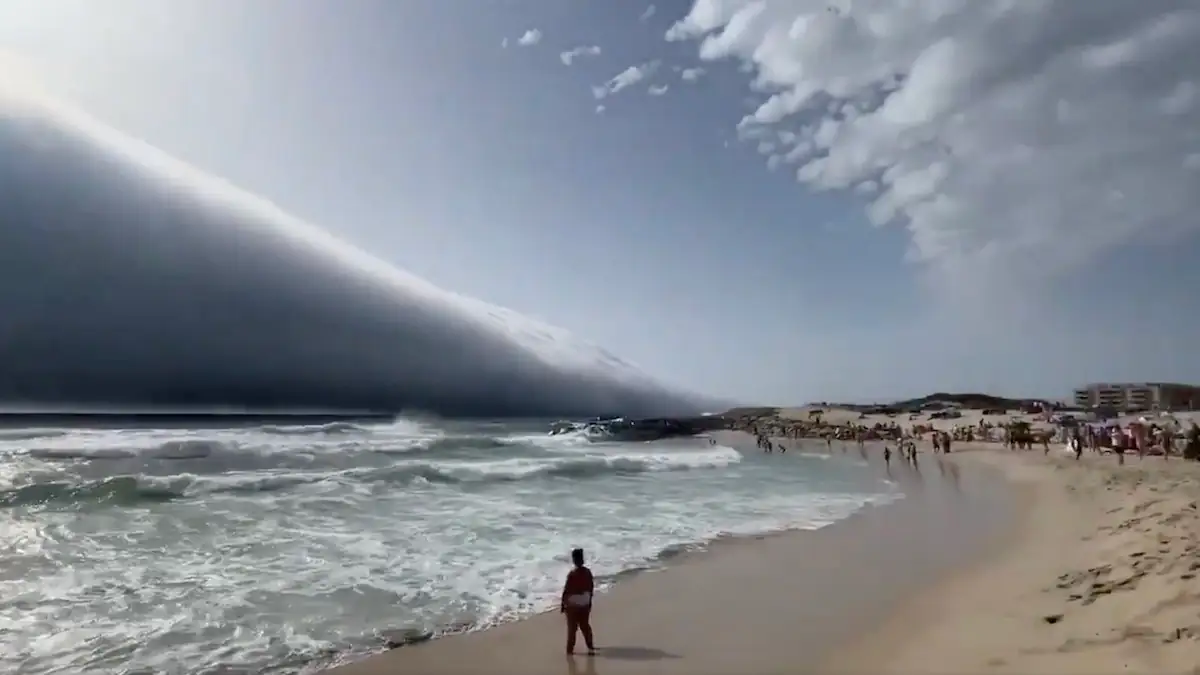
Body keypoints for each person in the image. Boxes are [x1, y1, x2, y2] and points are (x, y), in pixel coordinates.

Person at [561, 548, 596, 655]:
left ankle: (570, 650)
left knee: (572, 629)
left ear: (574, 560)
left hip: (573, 604)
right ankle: (590, 646)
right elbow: (591, 587)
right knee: (585, 625)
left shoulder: (572, 574)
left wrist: (563, 604)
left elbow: (566, 591)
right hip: (585, 601)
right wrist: (589, 600)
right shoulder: (587, 572)